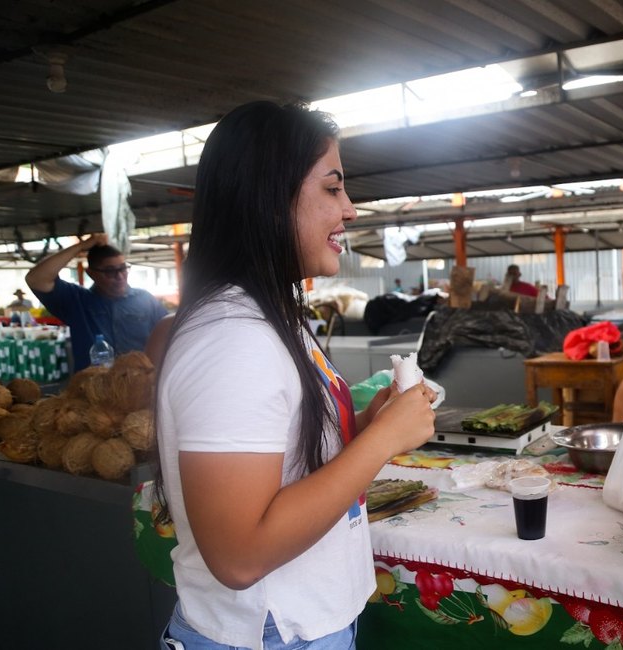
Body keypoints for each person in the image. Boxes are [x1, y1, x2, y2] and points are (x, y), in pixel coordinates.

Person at [154, 101, 437, 649]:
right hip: (267, 634)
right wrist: (382, 441)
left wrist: (361, 423)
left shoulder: (272, 314)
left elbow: (287, 460)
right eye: (333, 188)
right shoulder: (234, 337)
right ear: (270, 196)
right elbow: (239, 556)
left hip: (300, 625)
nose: (350, 210)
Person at [25, 234, 167, 370]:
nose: (119, 276)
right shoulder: (77, 301)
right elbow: (36, 279)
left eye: (123, 268)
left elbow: (171, 334)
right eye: (110, 271)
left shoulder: (145, 300)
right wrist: (81, 247)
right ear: (91, 273)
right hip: (93, 389)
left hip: (140, 385)